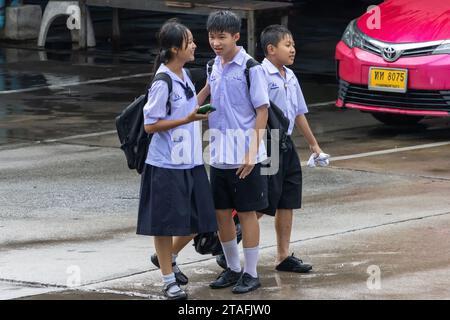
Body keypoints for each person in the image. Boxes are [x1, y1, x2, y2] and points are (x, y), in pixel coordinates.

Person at [136, 19, 217, 300]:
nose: (195, 45)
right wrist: (186, 119)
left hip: (190, 160)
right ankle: (168, 279)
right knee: (164, 225)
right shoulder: (163, 81)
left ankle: (166, 258)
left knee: (202, 220)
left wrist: (207, 89)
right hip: (165, 164)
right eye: (190, 41)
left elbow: (189, 106)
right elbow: (150, 125)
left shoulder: (183, 75)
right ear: (174, 48)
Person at [202, 10, 270, 294]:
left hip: (245, 156)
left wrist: (251, 153)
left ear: (236, 37)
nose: (216, 43)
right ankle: (232, 268)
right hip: (218, 153)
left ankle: (251, 273)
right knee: (221, 214)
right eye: (212, 37)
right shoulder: (212, 66)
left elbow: (262, 111)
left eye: (222, 37)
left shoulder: (251, 68)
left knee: (246, 213)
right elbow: (205, 94)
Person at [258, 24, 325, 272]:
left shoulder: (290, 76)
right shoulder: (260, 74)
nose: (293, 49)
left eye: (293, 44)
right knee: (261, 200)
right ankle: (229, 243)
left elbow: (299, 113)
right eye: (288, 45)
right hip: (268, 143)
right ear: (271, 49)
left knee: (287, 199)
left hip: (285, 144)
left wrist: (314, 145)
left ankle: (283, 256)